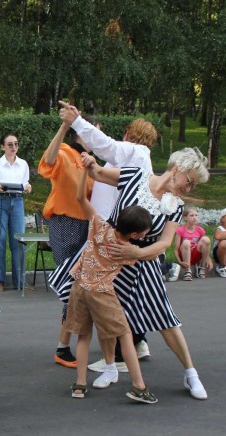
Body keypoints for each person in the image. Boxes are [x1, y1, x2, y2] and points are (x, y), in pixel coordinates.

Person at [50, 146, 210, 401]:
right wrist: (89, 162)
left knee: (164, 316)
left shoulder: (175, 206)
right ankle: (111, 366)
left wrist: (135, 253)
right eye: (189, 181)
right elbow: (99, 173)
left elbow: (165, 242)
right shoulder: (135, 175)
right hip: (107, 254)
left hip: (141, 264)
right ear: (177, 170)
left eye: (193, 186)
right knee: (103, 313)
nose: (188, 189)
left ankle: (191, 373)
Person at [57, 102, 158, 373]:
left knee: (106, 295)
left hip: (107, 232)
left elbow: (106, 146)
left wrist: (77, 121)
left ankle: (116, 357)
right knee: (121, 292)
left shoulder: (133, 152)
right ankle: (136, 343)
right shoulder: (134, 159)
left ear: (128, 133)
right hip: (110, 229)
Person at [63, 158, 157, 403]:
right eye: (145, 232)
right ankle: (138, 385)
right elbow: (148, 255)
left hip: (79, 287)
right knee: (124, 334)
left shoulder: (99, 226)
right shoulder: (126, 250)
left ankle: (80, 384)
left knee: (83, 336)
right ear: (135, 234)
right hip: (102, 292)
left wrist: (85, 171)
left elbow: (81, 200)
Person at [38, 117, 95, 368]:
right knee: (72, 287)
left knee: (79, 288)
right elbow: (48, 162)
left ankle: (64, 345)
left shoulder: (91, 163)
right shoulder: (64, 152)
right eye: (92, 132)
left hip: (85, 226)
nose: (95, 137)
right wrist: (63, 127)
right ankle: (63, 348)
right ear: (80, 134)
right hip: (65, 223)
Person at [0, 133, 32, 291]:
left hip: (18, 201)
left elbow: (25, 184)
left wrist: (28, 187)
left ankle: (20, 280)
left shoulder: (23, 164)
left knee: (19, 241)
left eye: (16, 144)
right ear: (2, 147)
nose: (13, 147)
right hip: (1, 201)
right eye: (10, 144)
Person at [174, 205, 213, 280]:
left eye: (196, 215)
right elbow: (176, 249)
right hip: (184, 256)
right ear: (185, 218)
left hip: (196, 255)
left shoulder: (200, 230)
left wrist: (208, 259)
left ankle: (202, 267)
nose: (194, 217)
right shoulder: (180, 230)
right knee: (186, 242)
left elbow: (205, 246)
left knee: (206, 239)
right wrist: (179, 262)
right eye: (191, 215)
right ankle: (187, 270)